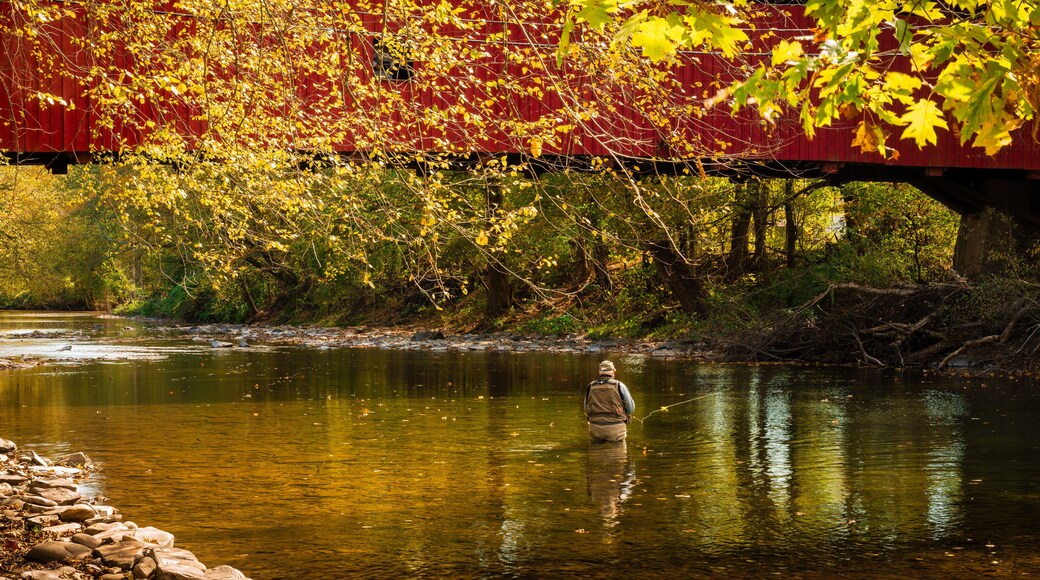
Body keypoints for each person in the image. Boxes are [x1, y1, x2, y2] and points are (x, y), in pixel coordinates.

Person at [583, 360, 636, 442]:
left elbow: (585, 408)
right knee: (618, 452)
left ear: (599, 372)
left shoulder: (590, 386)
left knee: (596, 452)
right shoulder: (619, 385)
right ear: (613, 371)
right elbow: (631, 409)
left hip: (595, 429)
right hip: (616, 430)